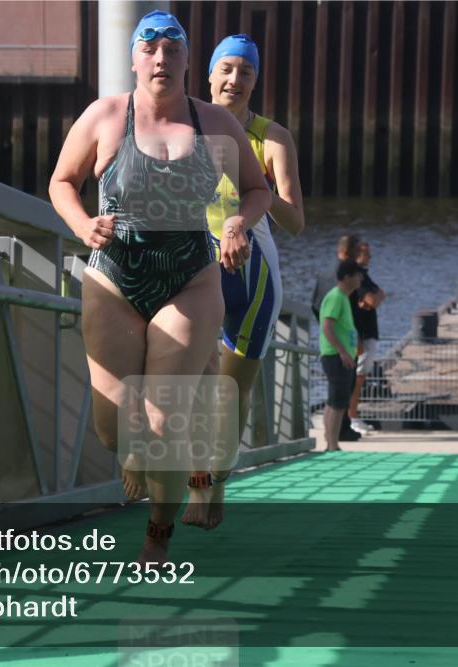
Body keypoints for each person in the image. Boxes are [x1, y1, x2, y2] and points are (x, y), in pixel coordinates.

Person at [48, 10, 271, 564]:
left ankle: (158, 534)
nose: (161, 59)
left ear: (188, 61)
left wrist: (240, 222)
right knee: (113, 427)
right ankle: (133, 456)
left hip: (190, 277)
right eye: (149, 48)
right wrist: (81, 225)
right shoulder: (103, 116)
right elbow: (61, 182)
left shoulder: (217, 124)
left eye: (173, 49)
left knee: (164, 418)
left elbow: (257, 189)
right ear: (134, 59)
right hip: (114, 277)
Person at [180, 34, 304, 531]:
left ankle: (218, 486)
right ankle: (197, 491)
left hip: (253, 277)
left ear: (256, 80)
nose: (234, 80)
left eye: (246, 72)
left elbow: (295, 222)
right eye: (226, 69)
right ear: (208, 75)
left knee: (230, 396)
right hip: (194, 267)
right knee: (191, 386)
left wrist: (258, 188)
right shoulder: (183, 124)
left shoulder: (272, 137)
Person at [310, 234, 362, 441]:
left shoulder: (340, 295)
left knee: (339, 400)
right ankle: (332, 442)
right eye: (358, 275)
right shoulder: (336, 295)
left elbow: (315, 307)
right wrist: (340, 349)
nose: (361, 279)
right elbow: (326, 323)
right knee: (336, 401)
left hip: (341, 352)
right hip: (336, 354)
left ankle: (334, 440)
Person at [348, 241, 386, 434]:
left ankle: (354, 415)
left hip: (370, 334)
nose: (370, 258)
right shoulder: (356, 276)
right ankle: (351, 418)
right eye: (366, 255)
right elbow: (373, 299)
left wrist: (373, 299)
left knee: (361, 378)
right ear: (357, 255)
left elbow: (381, 295)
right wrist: (372, 300)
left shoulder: (365, 274)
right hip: (361, 335)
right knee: (357, 378)